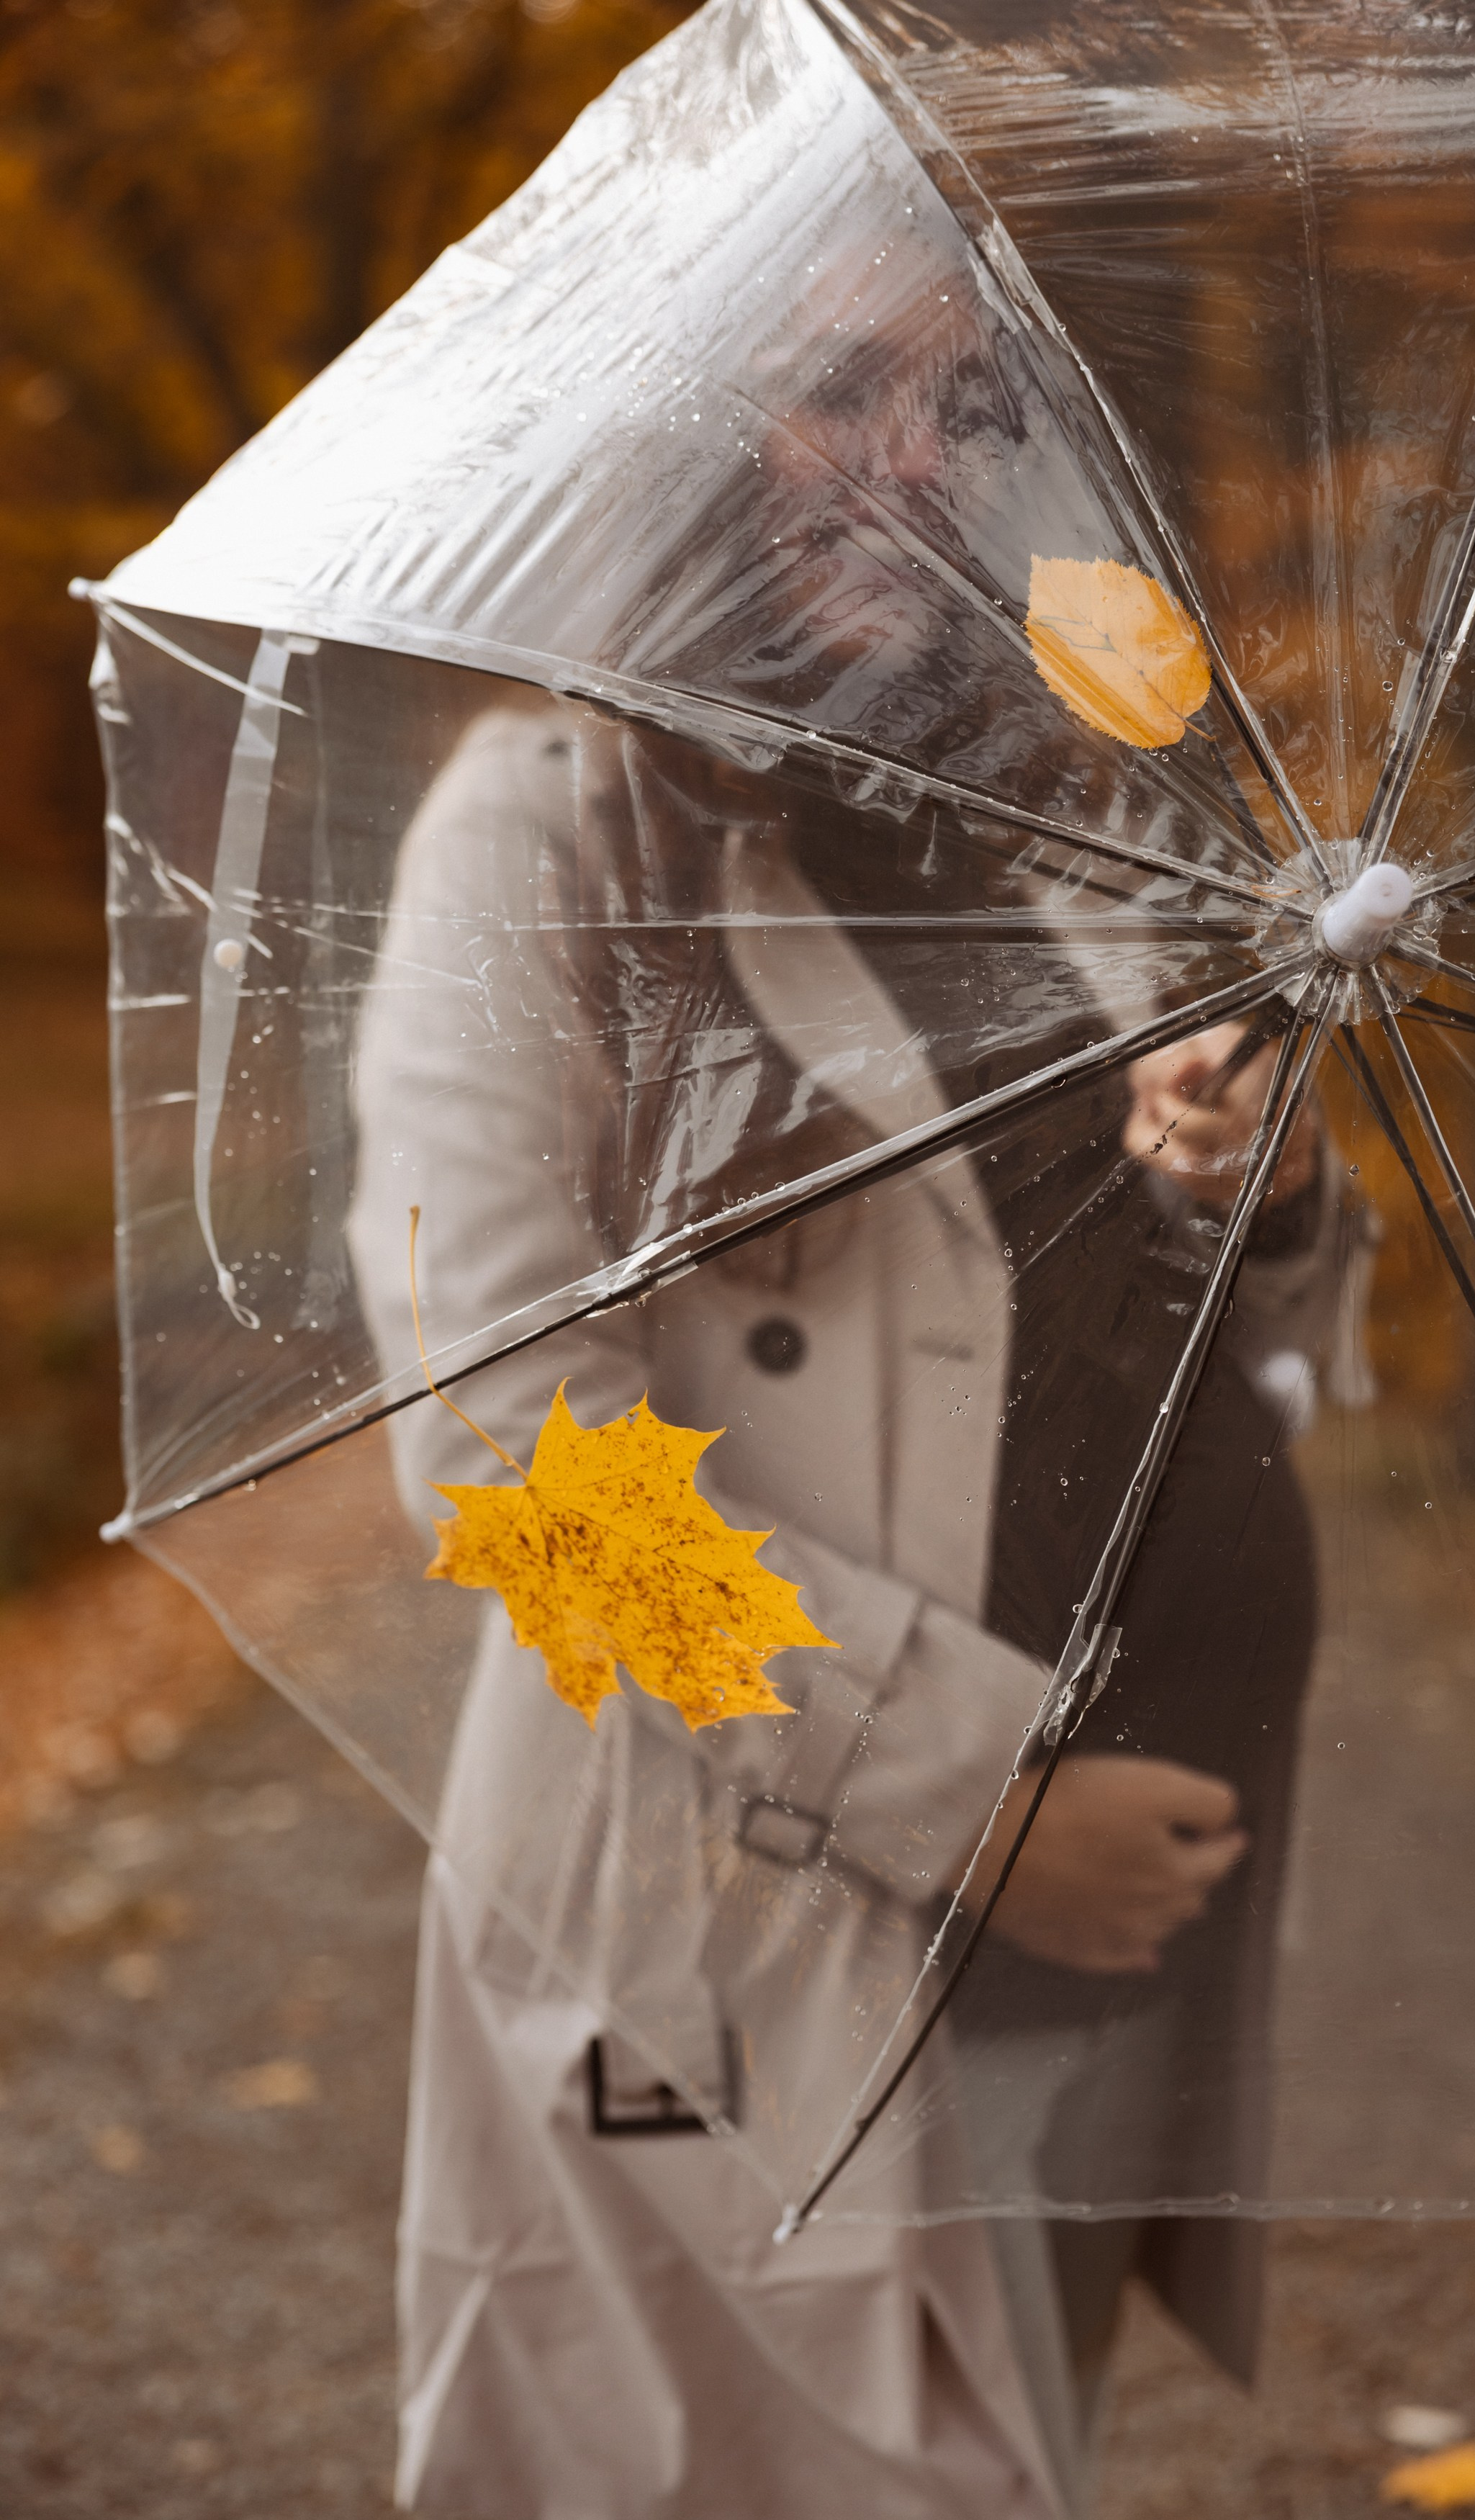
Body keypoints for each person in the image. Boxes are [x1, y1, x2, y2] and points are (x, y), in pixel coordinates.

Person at [346, 683, 1361, 2519]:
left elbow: (1186, 1299)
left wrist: (1259, 1181)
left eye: (948, 397)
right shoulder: (547, 826)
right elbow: (512, 1457)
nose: (916, 452)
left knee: (1023, 2420)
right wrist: (969, 1803)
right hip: (800, 1854)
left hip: (1136, 1855)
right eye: (850, 399)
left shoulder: (1043, 790)